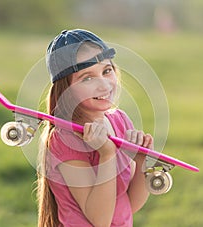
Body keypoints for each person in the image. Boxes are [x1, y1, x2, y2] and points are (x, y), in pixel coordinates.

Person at [37, 29, 153, 227]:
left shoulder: (120, 122)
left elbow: (129, 205)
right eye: (87, 78)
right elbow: (100, 219)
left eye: (106, 71)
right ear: (66, 90)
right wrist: (107, 155)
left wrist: (142, 160)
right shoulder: (65, 139)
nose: (103, 85)